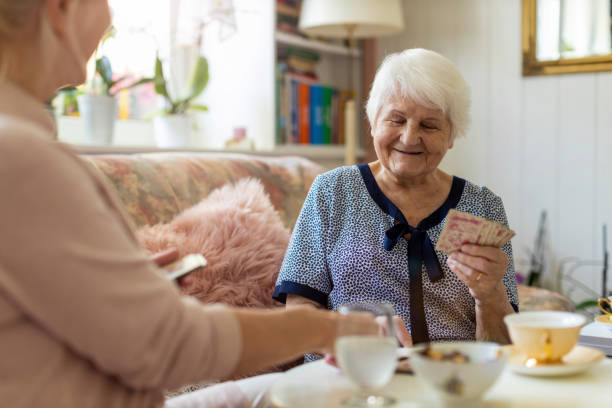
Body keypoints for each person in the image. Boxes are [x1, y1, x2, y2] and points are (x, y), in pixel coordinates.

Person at [0, 1, 377, 407]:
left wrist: (129, 285)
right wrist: (322, 329)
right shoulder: (22, 158)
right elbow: (164, 346)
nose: (111, 15)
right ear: (60, 10)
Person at [274, 48, 518, 356]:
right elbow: (300, 308)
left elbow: (504, 351)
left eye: (429, 125)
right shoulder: (333, 191)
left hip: (454, 379)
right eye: (396, 119)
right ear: (373, 122)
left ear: (452, 135)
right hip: (358, 374)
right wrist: (347, 348)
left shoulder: (483, 206)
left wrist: (490, 294)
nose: (409, 137)